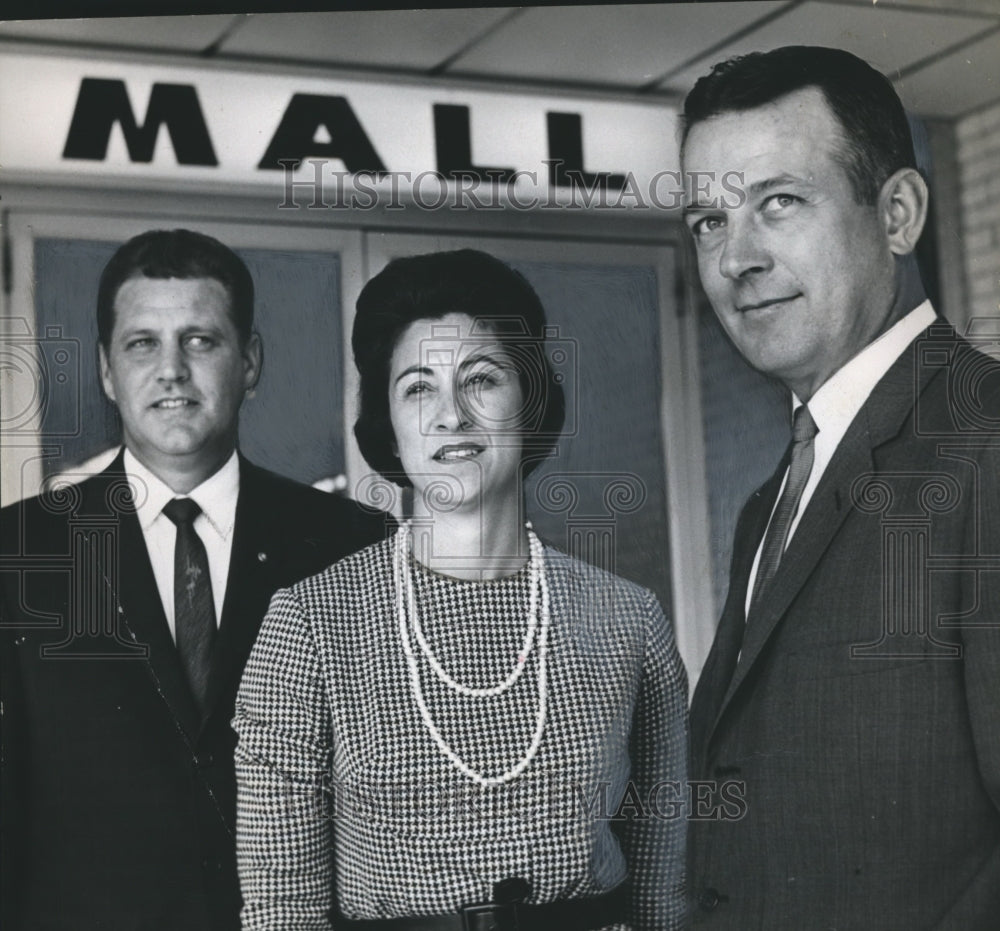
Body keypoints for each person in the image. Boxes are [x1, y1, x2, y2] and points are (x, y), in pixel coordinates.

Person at [233, 249, 689, 930]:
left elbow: (662, 892)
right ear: (387, 423)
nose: (451, 414)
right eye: (418, 386)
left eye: (481, 379)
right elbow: (282, 910)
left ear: (529, 401)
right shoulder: (310, 622)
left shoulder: (629, 619)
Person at [681, 46, 1000, 929]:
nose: (735, 256)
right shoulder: (773, 499)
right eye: (707, 220)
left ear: (897, 213)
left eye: (777, 203)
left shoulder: (986, 443)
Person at [0, 229, 389, 930]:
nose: (171, 369)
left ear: (250, 361)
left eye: (201, 340)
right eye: (142, 342)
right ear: (107, 371)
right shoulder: (19, 549)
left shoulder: (351, 544)